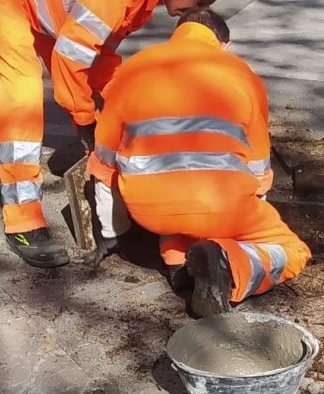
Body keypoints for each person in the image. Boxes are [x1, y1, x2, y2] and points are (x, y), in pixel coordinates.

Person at [86, 7, 312, 318]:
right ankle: (229, 269)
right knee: (293, 251)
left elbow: (104, 163)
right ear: (223, 45)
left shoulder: (132, 70)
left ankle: (179, 263)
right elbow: (259, 165)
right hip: (222, 206)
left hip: (149, 210)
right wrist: (248, 209)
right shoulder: (242, 73)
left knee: (183, 217)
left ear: (176, 35)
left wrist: (112, 232)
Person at [0, 0, 215, 268]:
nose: (197, 9)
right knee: (20, 97)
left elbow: (93, 56)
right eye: (200, 0)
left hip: (50, 10)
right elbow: (69, 58)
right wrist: (86, 122)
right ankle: (23, 222)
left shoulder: (142, 4)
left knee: (110, 85)